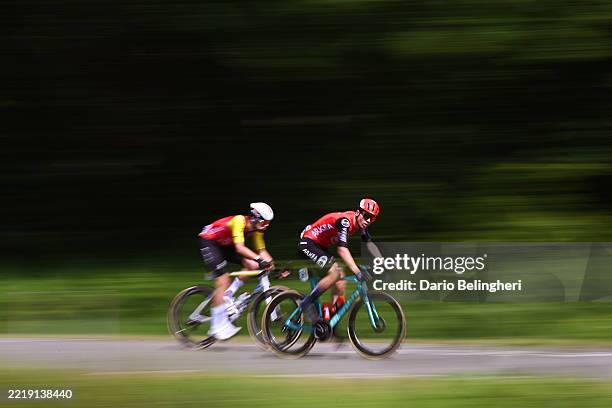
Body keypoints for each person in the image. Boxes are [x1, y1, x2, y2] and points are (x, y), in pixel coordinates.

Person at [297, 198, 383, 331]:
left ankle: (328, 318)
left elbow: (369, 244)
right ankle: (307, 303)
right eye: (366, 216)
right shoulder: (345, 222)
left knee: (341, 279)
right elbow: (342, 249)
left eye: (372, 218)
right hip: (308, 243)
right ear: (358, 212)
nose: (368, 220)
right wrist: (357, 271)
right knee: (336, 272)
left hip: (320, 246)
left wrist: (383, 261)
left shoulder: (361, 224)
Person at [198, 202, 275, 340]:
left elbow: (261, 251)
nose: (267, 226)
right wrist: (259, 259)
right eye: (265, 222)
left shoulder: (257, 230)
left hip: (226, 245)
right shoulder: (240, 220)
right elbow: (240, 248)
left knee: (253, 265)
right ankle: (216, 327)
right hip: (210, 242)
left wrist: (273, 265)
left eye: (269, 223)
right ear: (255, 218)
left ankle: (229, 294)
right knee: (223, 280)